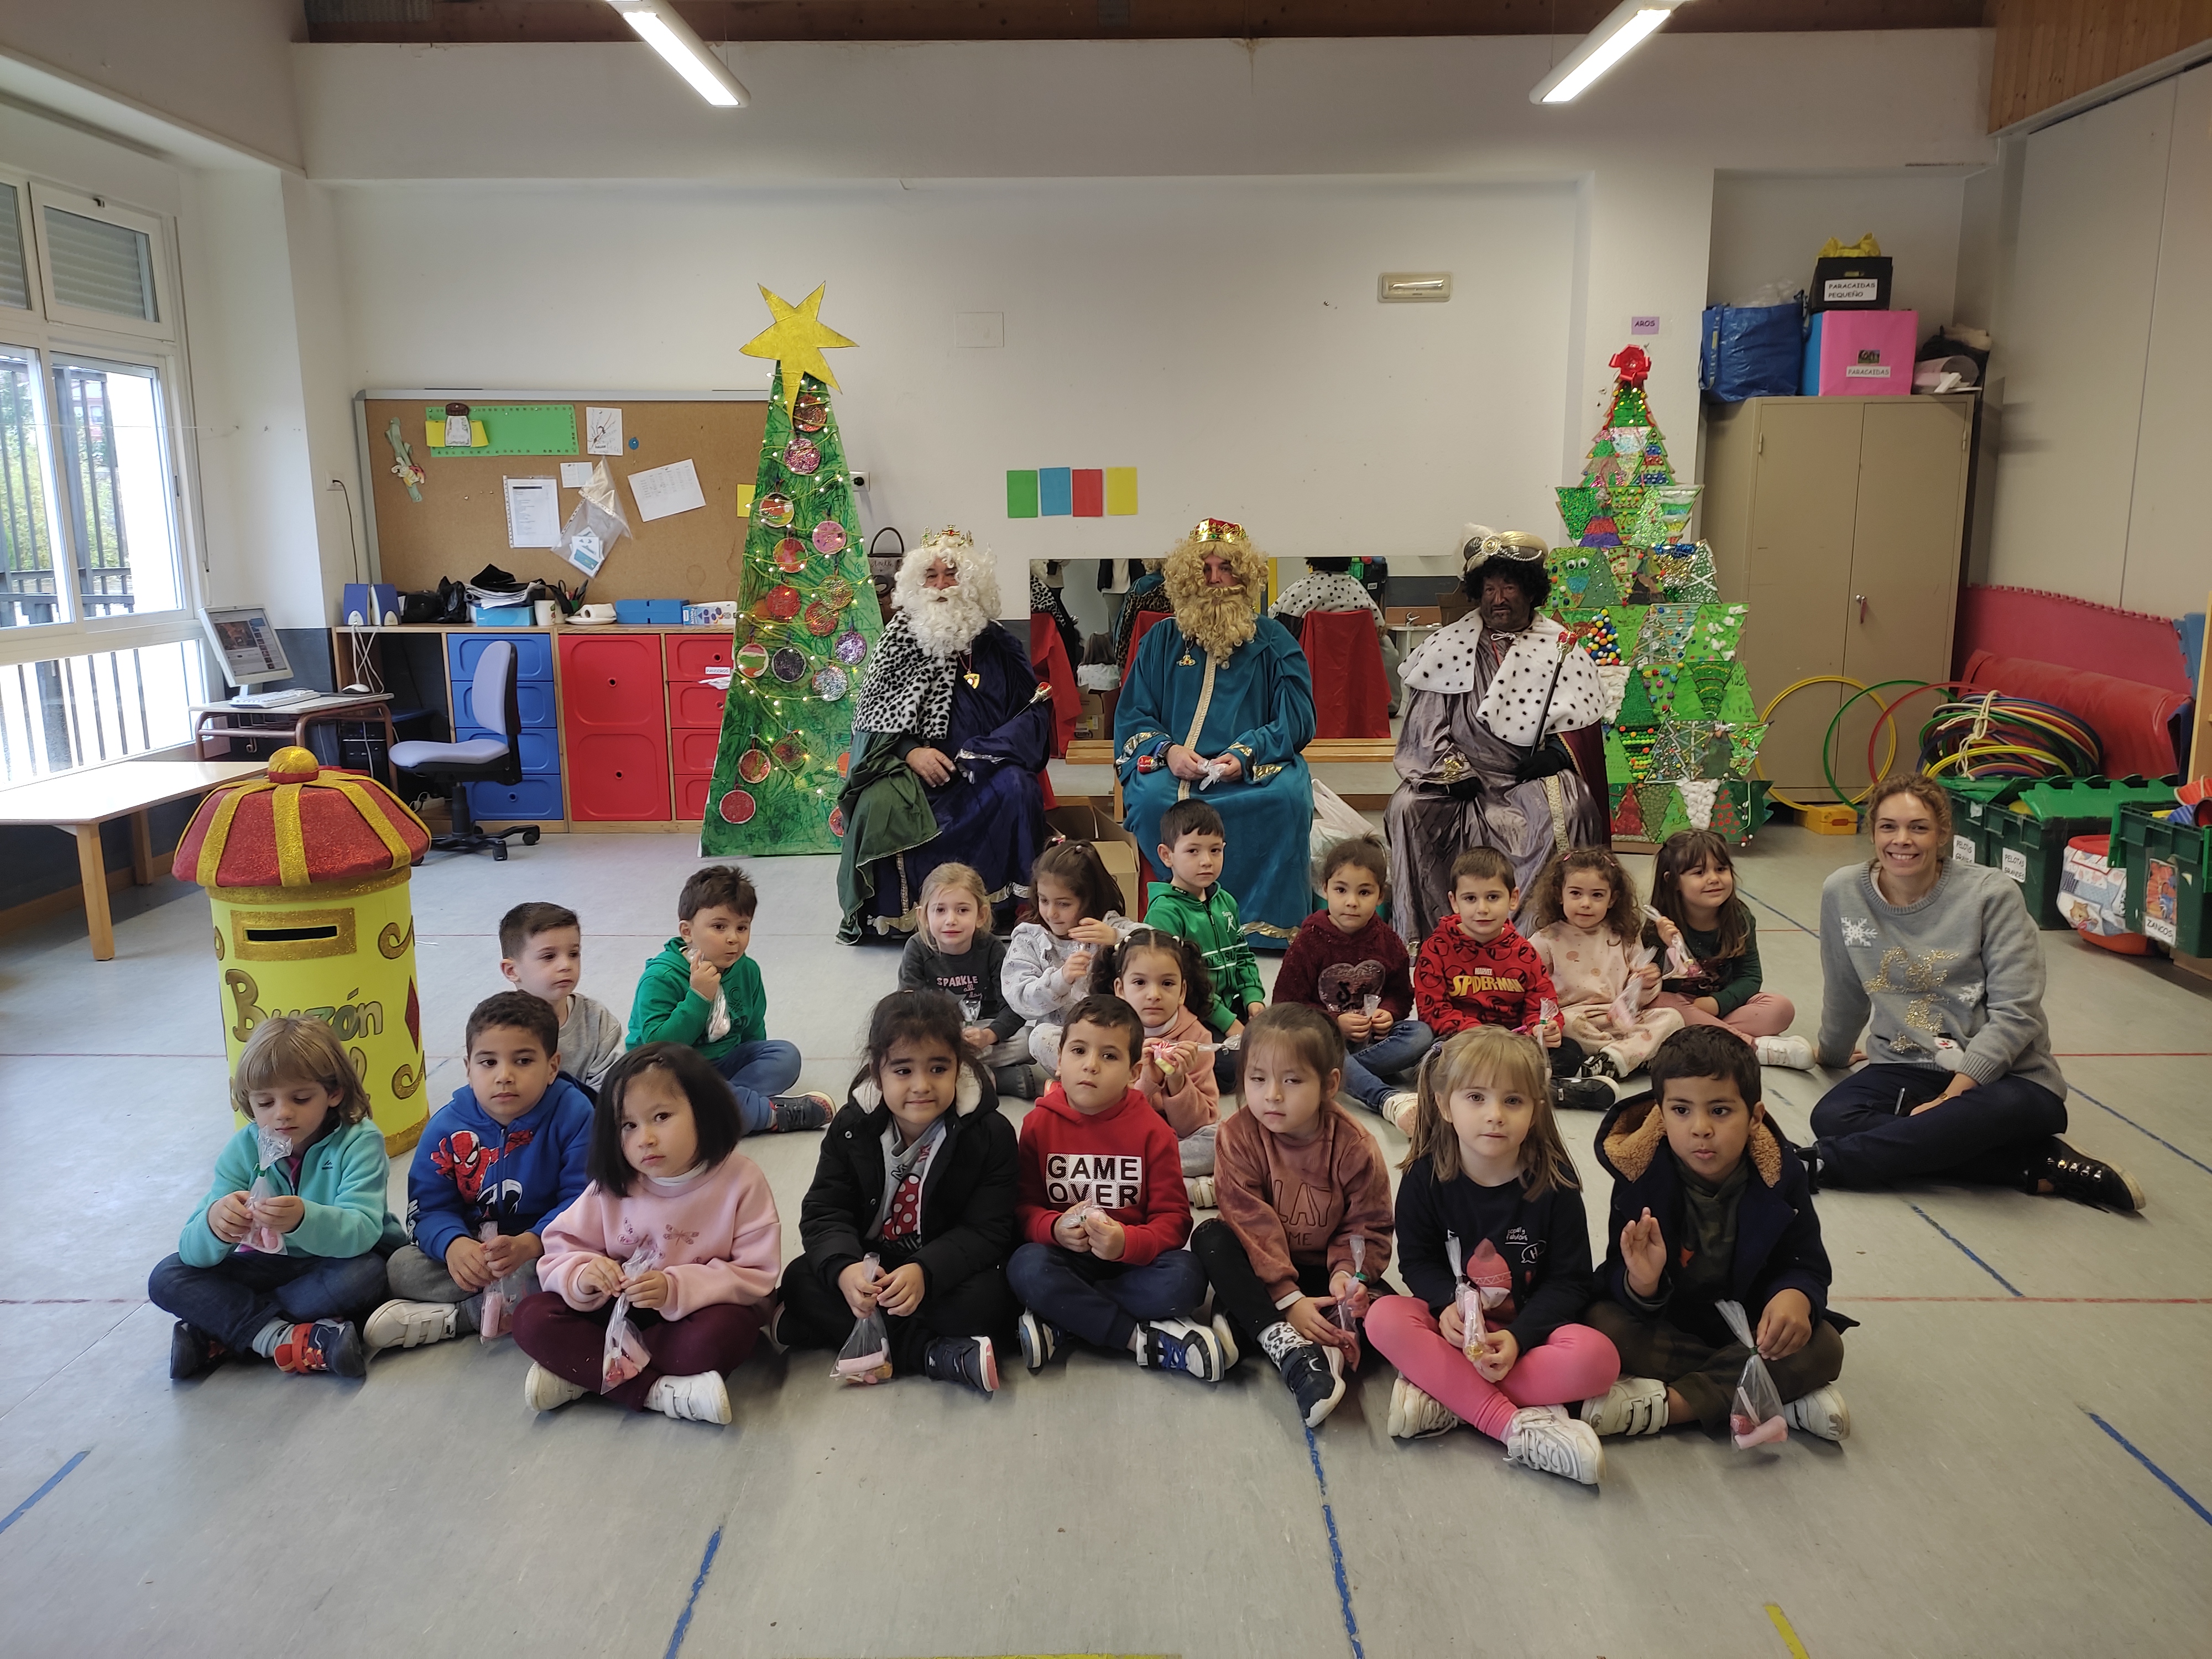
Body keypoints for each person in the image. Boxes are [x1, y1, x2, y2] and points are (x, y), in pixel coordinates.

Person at [1803, 774, 2142, 1211]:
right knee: (1833, 1117)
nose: (1902, 840)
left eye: (1919, 828)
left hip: (2007, 1078)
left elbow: (2017, 1013)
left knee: (1998, 1110)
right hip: (1908, 1065)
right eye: (1888, 827)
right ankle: (2034, 1164)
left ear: (1943, 833)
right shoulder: (1844, 891)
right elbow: (1845, 988)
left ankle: (1822, 1165)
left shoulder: (1991, 894)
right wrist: (1832, 1053)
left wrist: (1950, 1098)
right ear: (1872, 832)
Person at [1363, 1026, 1615, 1487]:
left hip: (1527, 1336)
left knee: (1599, 1360)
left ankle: (1449, 1395)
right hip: (1455, 1333)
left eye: (1513, 1101)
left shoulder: (1555, 1183)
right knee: (1383, 1318)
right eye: (1476, 1098)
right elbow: (1417, 1263)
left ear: (1536, 1110)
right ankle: (1512, 1426)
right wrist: (1445, 1305)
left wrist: (1519, 1337)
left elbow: (1571, 1281)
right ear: (1444, 1105)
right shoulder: (1424, 1177)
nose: (1495, 1115)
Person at [1580, 1027, 1853, 1444]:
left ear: (1755, 1117)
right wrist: (1642, 1283)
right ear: (1660, 1115)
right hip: (1674, 1327)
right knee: (1601, 1323)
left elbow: (1806, 1264)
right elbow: (1618, 1277)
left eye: (1720, 1111)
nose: (1701, 1128)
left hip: (1753, 1332)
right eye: (1681, 1110)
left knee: (1825, 1346)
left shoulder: (1782, 1175)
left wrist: (1794, 1297)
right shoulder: (1641, 1175)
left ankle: (1669, 1408)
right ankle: (1772, 1396)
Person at [513, 1044, 781, 1425]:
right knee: (531, 1318)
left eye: (662, 1117)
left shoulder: (740, 1180)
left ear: (704, 1111)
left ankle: (586, 1374)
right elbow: (560, 1247)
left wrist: (674, 1289)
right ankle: (656, 1391)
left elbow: (757, 1274)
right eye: (629, 1126)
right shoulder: (615, 1184)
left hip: (695, 1314)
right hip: (621, 1311)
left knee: (726, 1335)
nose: (646, 1138)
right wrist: (584, 1275)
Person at [776, 990, 1017, 1397]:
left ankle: (852, 1336)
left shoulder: (990, 1133)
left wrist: (926, 1271)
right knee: (801, 1279)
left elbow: (988, 1230)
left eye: (938, 1068)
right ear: (878, 1072)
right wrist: (847, 1270)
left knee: (991, 1300)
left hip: (943, 1266)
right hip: (873, 1264)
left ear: (958, 1067)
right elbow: (825, 1210)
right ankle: (931, 1355)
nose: (922, 1086)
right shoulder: (852, 1126)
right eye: (903, 1070)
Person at [1386, 529, 1609, 947]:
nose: (1498, 599)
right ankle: (1430, 937)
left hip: (1526, 777)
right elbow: (1424, 729)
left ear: (1530, 591)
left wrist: (1557, 754)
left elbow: (1581, 727)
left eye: (1508, 587)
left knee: (1573, 806)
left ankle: (1540, 938)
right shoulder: (1446, 647)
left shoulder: (1560, 647)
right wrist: (1453, 771)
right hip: (1461, 777)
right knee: (1407, 806)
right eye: (1489, 589)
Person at [152, 1016, 403, 1383]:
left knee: (366, 1276)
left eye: (300, 1099)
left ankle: (224, 1330)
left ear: (334, 1093)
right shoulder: (244, 1148)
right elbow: (192, 1250)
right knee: (167, 1277)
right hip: (268, 1267)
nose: (282, 1113)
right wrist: (215, 1225)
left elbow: (363, 1231)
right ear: (250, 1103)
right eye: (265, 1102)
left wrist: (303, 1220)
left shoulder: (358, 1142)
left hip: (335, 1263)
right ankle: (288, 1338)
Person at [837, 528, 1052, 943]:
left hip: (986, 772)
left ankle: (1006, 912)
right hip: (914, 776)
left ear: (972, 582)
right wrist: (911, 752)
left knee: (1018, 787)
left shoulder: (1000, 645)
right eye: (931, 576)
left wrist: (984, 753)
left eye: (951, 574)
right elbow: (872, 718)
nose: (940, 585)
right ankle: (899, 917)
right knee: (877, 805)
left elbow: (1032, 713)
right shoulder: (898, 641)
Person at [1191, 1005, 1394, 1428]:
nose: (1272, 1095)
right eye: (1257, 1079)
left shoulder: (1355, 1146)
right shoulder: (1237, 1134)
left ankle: (1266, 1327)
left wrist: (1349, 1277)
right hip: (1263, 1270)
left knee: (1388, 1317)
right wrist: (1290, 1301)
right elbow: (1249, 1223)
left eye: (1292, 1081)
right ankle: (1288, 1343)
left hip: (1324, 1271)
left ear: (1329, 1084)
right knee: (1211, 1237)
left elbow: (1369, 1225)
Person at [1114, 518, 1316, 946]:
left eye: (1226, 569)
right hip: (1176, 769)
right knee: (1150, 802)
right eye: (1204, 570)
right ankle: (1179, 919)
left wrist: (1246, 752)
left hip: (1253, 768)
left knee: (1288, 798)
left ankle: (1262, 928)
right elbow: (1134, 715)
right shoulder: (1161, 640)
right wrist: (1168, 751)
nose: (1215, 580)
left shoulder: (1275, 640)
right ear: (1188, 578)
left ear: (1245, 577)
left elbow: (1297, 719)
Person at [366, 992, 594, 1358]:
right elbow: (429, 1209)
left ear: (553, 1066)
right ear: (468, 1068)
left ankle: (461, 1317)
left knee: (588, 1269)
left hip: (545, 1246)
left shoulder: (575, 1114)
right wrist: (454, 1245)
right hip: (477, 1246)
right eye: (488, 1062)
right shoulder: (446, 1128)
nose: (504, 1076)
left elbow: (584, 1200)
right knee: (401, 1269)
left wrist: (532, 1242)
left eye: (523, 1061)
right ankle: (506, 1305)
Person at [1005, 994, 1221, 1380]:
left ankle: (1065, 1318)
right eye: (1079, 1050)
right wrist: (1054, 1228)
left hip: (1132, 1264)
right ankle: (1134, 1338)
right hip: (1065, 1257)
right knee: (1025, 1266)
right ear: (1059, 1060)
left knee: (1187, 1278)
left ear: (1134, 1071)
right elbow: (1024, 1208)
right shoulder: (1038, 1124)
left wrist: (1127, 1243)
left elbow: (1174, 1221)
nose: (1091, 1065)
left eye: (1109, 1056)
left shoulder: (1153, 1132)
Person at [627, 863, 833, 1134]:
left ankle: (719, 1108)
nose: (733, 939)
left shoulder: (747, 970)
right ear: (687, 931)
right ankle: (766, 1115)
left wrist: (753, 1058)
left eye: (742, 927)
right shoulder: (661, 977)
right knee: (659, 1093)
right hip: (672, 1072)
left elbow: (752, 1031)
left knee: (786, 1056)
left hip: (724, 1064)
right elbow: (657, 1047)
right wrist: (698, 997)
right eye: (719, 927)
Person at [1411, 847, 1579, 1126]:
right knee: (1430, 1055)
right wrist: (1481, 1034)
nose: (1482, 909)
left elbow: (1542, 1003)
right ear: (1454, 902)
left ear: (1513, 898)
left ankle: (1493, 1089)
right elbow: (1433, 1011)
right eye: (1470, 899)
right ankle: (1539, 1091)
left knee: (1570, 1052)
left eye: (1493, 897)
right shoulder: (1436, 948)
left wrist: (1545, 1027)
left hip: (1514, 1043)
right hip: (1462, 1043)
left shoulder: (1524, 952)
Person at [1273, 834, 1433, 1124]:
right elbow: (1285, 1006)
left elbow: (1400, 995)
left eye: (1364, 892)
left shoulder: (1388, 941)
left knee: (1421, 1034)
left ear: (1381, 896)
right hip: (1323, 1039)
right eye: (1341, 890)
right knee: (1313, 1046)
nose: (1351, 902)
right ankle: (1385, 1098)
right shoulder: (1309, 941)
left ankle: (1329, 1073)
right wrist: (1334, 1023)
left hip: (1371, 1041)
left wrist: (1389, 1013)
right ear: (1324, 889)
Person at [1646, 829, 1813, 1070]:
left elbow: (1750, 977)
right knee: (1661, 1002)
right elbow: (1657, 988)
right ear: (1672, 881)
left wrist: (1715, 1004)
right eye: (1699, 872)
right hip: (1680, 1007)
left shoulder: (1740, 918)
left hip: (1721, 1008)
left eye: (1721, 869)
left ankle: (1702, 1038)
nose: (1714, 878)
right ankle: (1751, 1047)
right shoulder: (1659, 926)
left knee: (1781, 1008)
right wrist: (1671, 947)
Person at [1526, 847, 1683, 1086]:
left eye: (1597, 895)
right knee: (1567, 1024)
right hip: (1578, 1020)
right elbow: (1531, 991)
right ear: (1559, 894)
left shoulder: (1624, 936)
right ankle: (1629, 1055)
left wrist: (1648, 982)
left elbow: (1638, 996)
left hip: (1623, 1019)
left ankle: (1615, 1058)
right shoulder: (1544, 940)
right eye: (1576, 893)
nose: (1586, 903)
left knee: (1672, 1018)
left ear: (1613, 899)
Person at [1088, 927, 1220, 1208]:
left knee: (1222, 1139)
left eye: (1167, 984)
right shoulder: (1108, 1035)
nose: (1154, 995)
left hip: (1174, 1139)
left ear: (1182, 992)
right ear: (1120, 989)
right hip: (1125, 1134)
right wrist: (1147, 1079)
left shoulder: (1197, 1037)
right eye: (1140, 982)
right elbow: (1107, 1110)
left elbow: (1197, 1125)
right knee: (1089, 1136)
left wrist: (1178, 1082)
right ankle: (1179, 1186)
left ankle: (1136, 1177)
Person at [899, 862, 1036, 1098]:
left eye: (962, 910)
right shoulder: (917, 949)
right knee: (903, 1047)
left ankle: (956, 1075)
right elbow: (908, 1007)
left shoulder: (992, 949)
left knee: (1030, 1041)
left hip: (982, 1032)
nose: (951, 920)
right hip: (935, 1035)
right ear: (923, 916)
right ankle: (995, 1080)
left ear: (981, 915)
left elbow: (1014, 1007)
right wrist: (940, 1036)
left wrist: (989, 1036)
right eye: (940, 910)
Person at [1001, 839, 1135, 1072]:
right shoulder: (1030, 937)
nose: (1051, 913)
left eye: (1063, 904)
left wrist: (1118, 937)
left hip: (1115, 1034)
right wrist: (1060, 980)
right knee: (1037, 1038)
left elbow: (1161, 945)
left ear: (1089, 899)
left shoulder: (1108, 925)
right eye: (1044, 900)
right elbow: (1019, 998)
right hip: (1065, 1038)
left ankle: (1115, 1078)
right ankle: (1088, 1079)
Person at [498, 900, 624, 1096]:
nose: (566, 965)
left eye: (574, 954)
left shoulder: (598, 1021)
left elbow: (609, 1093)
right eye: (549, 957)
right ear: (512, 971)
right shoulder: (496, 1028)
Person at [1269, 555, 1401, 711]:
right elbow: (1379, 627)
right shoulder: (1356, 588)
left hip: (1312, 671)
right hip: (1353, 674)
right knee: (1387, 648)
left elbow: (1275, 622)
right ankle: (1391, 706)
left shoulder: (1301, 588)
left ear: (1312, 561)